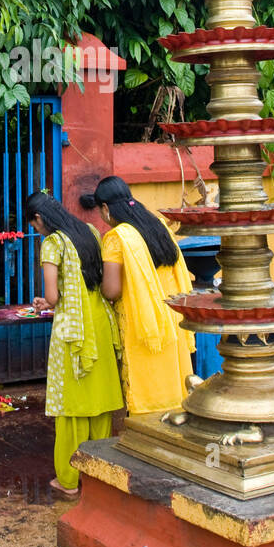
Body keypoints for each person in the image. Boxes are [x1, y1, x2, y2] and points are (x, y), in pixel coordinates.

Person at [26, 190, 124, 496]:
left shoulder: (52, 243)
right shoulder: (90, 231)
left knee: (72, 407)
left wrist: (44, 302)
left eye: (33, 225)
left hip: (73, 331)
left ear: (39, 219)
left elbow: (55, 297)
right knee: (99, 403)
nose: (35, 230)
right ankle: (98, 474)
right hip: (100, 324)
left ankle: (68, 479)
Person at [79, 176, 194, 416]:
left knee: (148, 386)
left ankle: (147, 432)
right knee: (173, 379)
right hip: (172, 316)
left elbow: (111, 290)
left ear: (106, 208)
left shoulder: (117, 237)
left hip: (143, 322)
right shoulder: (158, 225)